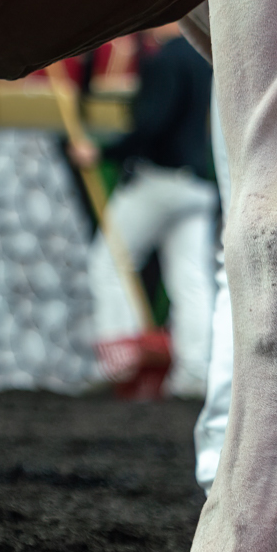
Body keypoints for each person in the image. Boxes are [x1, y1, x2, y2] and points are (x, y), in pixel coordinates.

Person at [74, 26, 219, 400]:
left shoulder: (165, 59)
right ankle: (194, 373)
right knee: (191, 278)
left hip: (157, 181)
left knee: (109, 262)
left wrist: (101, 151)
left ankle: (120, 362)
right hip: (197, 185)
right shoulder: (206, 58)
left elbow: (151, 124)